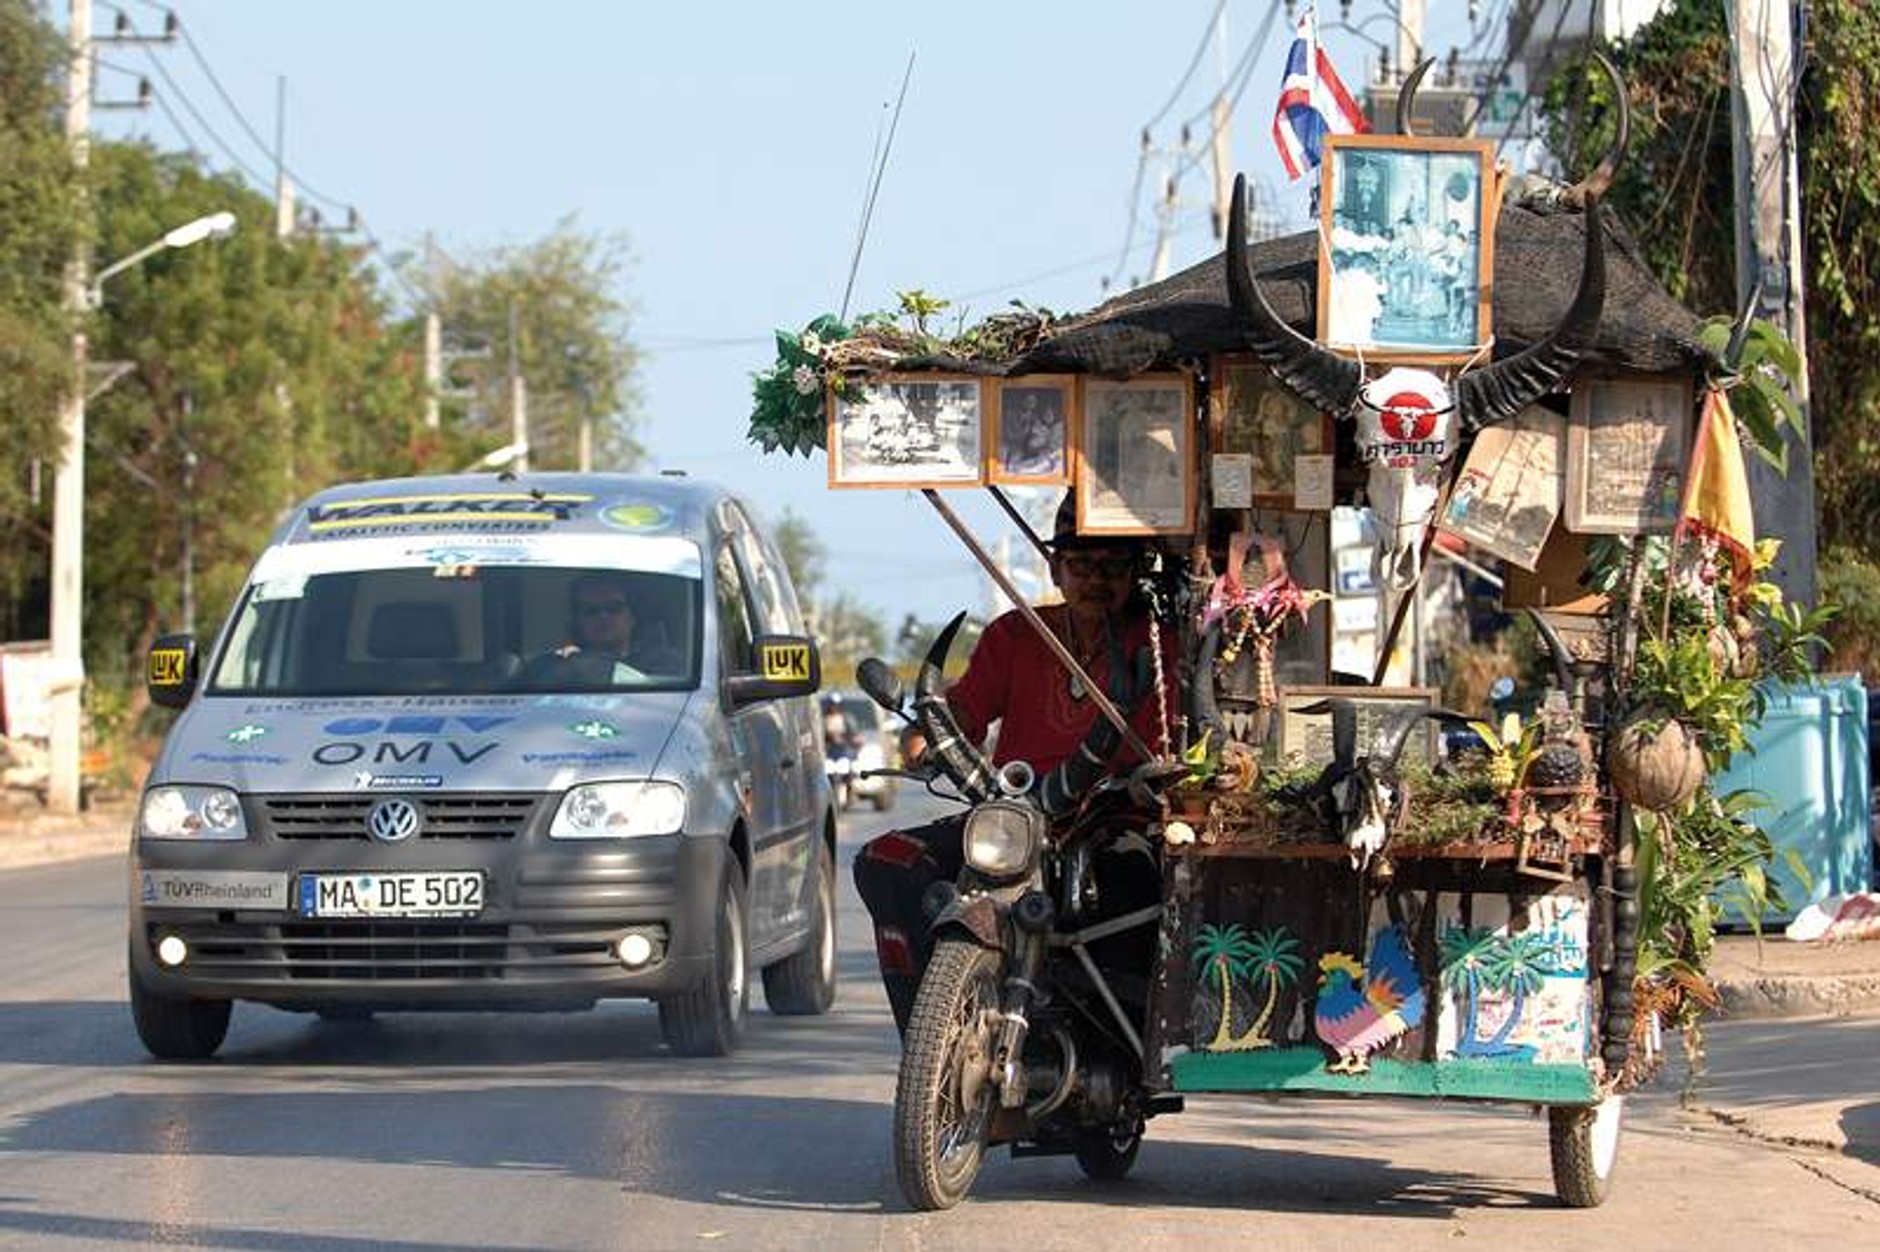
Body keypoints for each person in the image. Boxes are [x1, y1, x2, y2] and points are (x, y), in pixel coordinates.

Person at [852, 495, 1176, 1034]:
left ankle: (1114, 1045)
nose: (1097, 581)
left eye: (1115, 567)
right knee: (886, 861)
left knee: (1137, 889)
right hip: (1013, 819)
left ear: (1138, 573)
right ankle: (932, 1035)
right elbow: (964, 710)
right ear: (1055, 567)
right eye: (1082, 566)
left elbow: (1178, 743)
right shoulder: (1015, 634)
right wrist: (926, 734)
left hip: (1115, 820)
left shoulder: (1159, 644)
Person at [521, 571, 682, 686]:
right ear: (577, 621)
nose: (603, 617)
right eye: (591, 611)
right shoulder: (548, 668)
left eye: (613, 608)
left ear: (632, 616)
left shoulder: (666, 665)